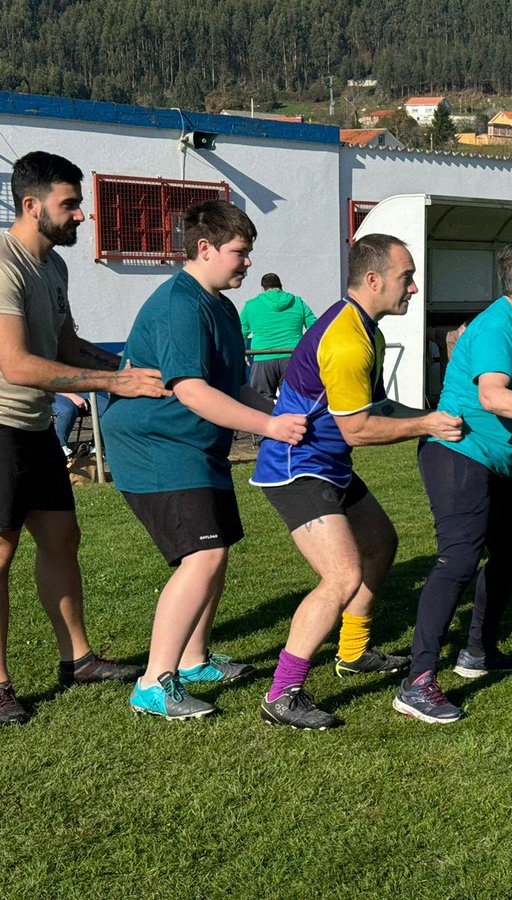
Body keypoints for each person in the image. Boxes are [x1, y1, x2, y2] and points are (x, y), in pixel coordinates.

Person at [103, 199, 307, 721]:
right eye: (240, 252)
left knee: (218, 549)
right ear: (204, 248)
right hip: (157, 446)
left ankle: (193, 660)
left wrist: (293, 411)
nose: (246, 263)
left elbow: (232, 384)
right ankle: (154, 683)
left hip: (197, 447)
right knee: (203, 555)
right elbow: (191, 390)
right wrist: (269, 428)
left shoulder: (221, 304)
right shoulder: (180, 304)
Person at [252, 234, 463, 730]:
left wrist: (433, 413)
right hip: (296, 468)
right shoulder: (347, 338)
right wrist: (427, 425)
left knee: (381, 544)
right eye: (406, 276)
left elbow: (377, 408)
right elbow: (359, 429)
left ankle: (353, 652)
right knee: (342, 576)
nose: (413, 288)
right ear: (373, 280)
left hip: (327, 464)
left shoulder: (365, 329)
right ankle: (283, 693)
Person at [0, 151, 169, 726]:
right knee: (0, 556)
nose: (81, 216)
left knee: (62, 537)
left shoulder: (54, 267)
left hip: (33, 426)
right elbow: (18, 365)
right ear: (31, 205)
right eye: (70, 204)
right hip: (0, 427)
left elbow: (68, 345)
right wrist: (113, 380)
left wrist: (135, 366)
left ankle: (78, 659)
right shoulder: (4, 264)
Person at [396, 239, 512, 725]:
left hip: (495, 461)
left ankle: (477, 650)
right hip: (456, 452)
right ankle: (417, 681)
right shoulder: (500, 326)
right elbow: (495, 397)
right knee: (459, 557)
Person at [240, 273, 316, 405]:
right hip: (293, 356)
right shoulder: (298, 302)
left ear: (262, 289)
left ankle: (267, 424)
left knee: (261, 400)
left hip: (262, 358)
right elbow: (315, 328)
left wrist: (241, 353)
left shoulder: (251, 305)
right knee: (294, 399)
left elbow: (240, 332)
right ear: (280, 287)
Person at [52, 391, 108, 459]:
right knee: (67, 410)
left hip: (85, 390)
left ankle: (96, 447)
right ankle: (61, 447)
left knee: (108, 410)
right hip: (55, 392)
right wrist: (72, 396)